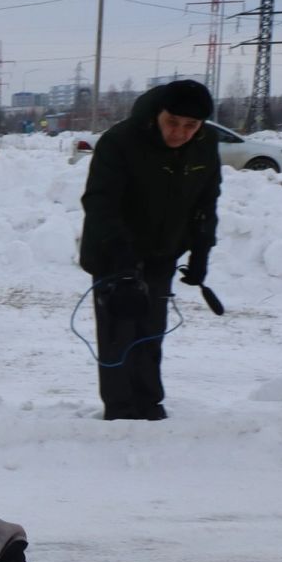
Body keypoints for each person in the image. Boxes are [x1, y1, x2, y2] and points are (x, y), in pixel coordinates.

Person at [79, 79, 222, 421]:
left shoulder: (205, 145)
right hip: (113, 253)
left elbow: (207, 200)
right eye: (173, 122)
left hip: (162, 253)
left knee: (151, 331)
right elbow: (100, 204)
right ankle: (121, 409)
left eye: (191, 126)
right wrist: (123, 259)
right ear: (159, 113)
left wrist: (200, 251)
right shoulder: (121, 141)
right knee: (120, 332)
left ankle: (149, 402)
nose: (180, 133)